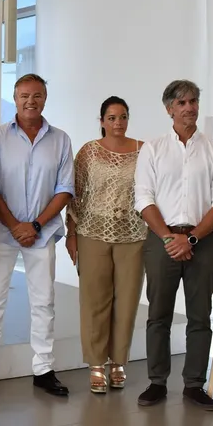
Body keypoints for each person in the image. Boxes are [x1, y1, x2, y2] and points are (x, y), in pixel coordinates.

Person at [0, 74, 74, 399]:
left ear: (45, 98)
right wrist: (15, 224)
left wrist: (35, 225)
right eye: (24, 96)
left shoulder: (60, 139)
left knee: (44, 302)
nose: (31, 101)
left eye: (37, 95)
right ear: (15, 99)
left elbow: (65, 189)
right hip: (3, 232)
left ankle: (43, 369)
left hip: (41, 235)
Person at [134, 79, 213, 411]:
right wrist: (168, 238)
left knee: (200, 316)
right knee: (158, 314)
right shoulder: (153, 149)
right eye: (181, 103)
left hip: (201, 241)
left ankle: (194, 385)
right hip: (161, 239)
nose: (189, 107)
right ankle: (156, 382)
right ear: (169, 109)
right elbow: (143, 198)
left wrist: (189, 239)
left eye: (193, 101)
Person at [65, 97, 146, 393]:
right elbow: (74, 194)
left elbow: (152, 191)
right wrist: (71, 234)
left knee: (126, 301)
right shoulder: (89, 152)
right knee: (95, 300)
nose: (118, 123)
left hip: (134, 234)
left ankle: (119, 361)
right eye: (111, 117)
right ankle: (97, 363)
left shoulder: (143, 151)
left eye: (123, 117)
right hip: (92, 232)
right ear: (101, 121)